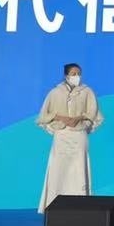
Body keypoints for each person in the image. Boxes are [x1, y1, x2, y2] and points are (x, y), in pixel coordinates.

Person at [37, 62, 102, 213]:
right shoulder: (55, 92)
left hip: (79, 135)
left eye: (79, 74)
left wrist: (79, 118)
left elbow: (93, 113)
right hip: (62, 135)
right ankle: (53, 203)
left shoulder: (87, 91)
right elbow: (44, 115)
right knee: (58, 169)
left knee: (79, 167)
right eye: (73, 74)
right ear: (66, 75)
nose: (76, 76)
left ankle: (81, 205)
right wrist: (61, 118)